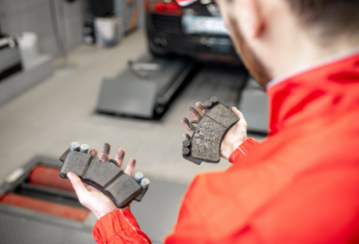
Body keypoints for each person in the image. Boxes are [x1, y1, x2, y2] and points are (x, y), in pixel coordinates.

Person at [67, 0, 359, 243]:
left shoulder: (227, 216)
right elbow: (312, 187)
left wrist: (111, 219)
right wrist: (242, 150)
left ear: (251, 12)